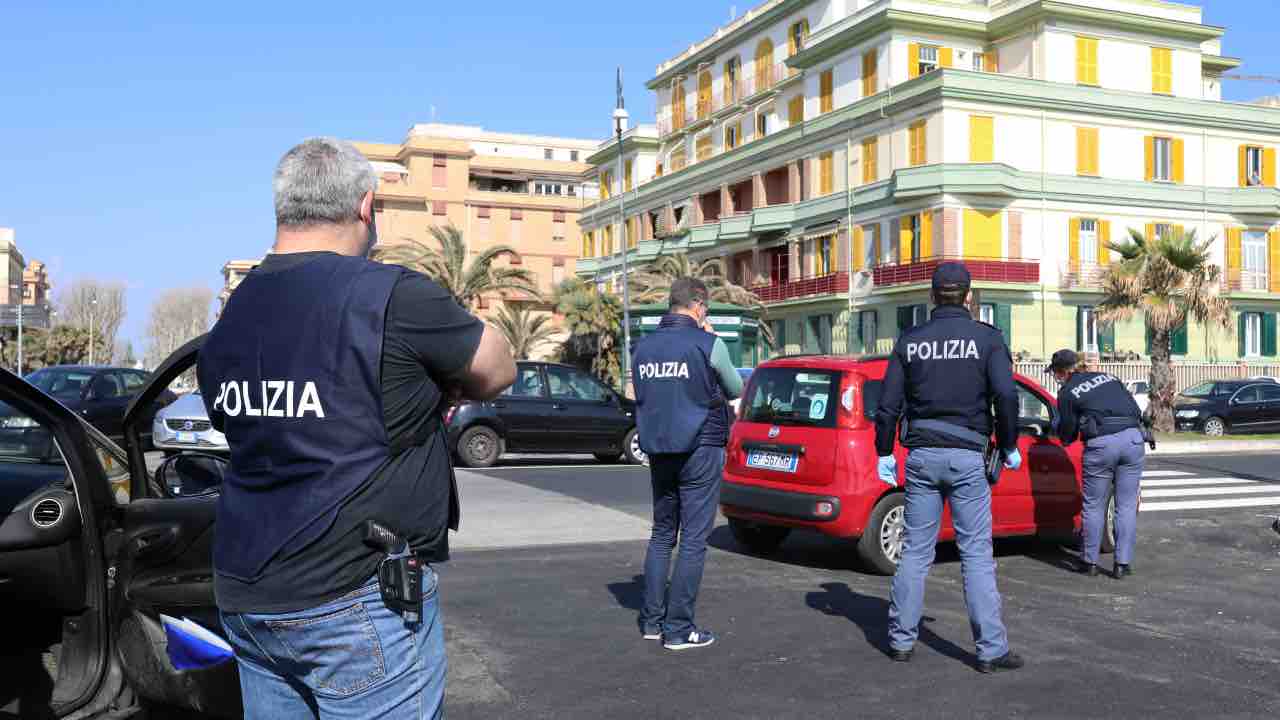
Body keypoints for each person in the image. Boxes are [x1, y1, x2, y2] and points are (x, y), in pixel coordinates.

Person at [197, 137, 515, 719]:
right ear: (366, 206)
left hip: (248, 594)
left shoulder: (235, 310)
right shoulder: (389, 294)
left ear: (284, 208)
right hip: (354, 598)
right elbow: (497, 369)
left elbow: (235, 421)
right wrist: (436, 384)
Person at [874, 262, 1025, 674]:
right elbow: (1007, 398)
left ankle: (900, 641)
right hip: (968, 456)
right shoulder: (987, 339)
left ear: (932, 297)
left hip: (921, 455)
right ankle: (990, 650)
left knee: (915, 552)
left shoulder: (911, 340)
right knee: (975, 553)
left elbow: (888, 404)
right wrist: (1009, 445)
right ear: (970, 297)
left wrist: (884, 451)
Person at [631, 277, 743, 651]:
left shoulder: (642, 348)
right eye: (705, 309)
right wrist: (709, 336)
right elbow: (734, 388)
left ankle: (651, 620)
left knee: (662, 533)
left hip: (659, 448)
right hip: (701, 445)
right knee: (694, 538)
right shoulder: (707, 343)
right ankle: (679, 629)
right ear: (698, 306)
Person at [1048, 349, 1147, 579]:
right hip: (1133, 439)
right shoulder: (1110, 377)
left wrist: (1059, 429)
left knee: (1094, 504)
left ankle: (1089, 562)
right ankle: (1122, 564)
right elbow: (1135, 410)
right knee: (1126, 504)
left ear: (1061, 373)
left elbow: (1068, 434)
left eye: (1055, 373)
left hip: (1102, 444)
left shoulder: (1068, 392)